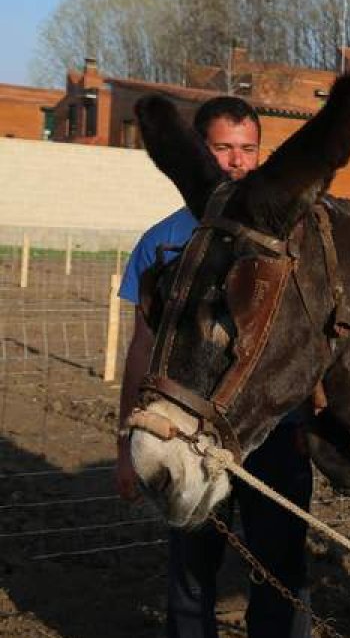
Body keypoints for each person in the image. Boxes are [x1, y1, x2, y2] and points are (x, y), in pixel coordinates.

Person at [115, 97, 313, 638]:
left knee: (279, 567)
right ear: (196, 153)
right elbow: (142, 345)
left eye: (248, 149)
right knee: (192, 564)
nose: (237, 162)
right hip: (188, 431)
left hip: (275, 433)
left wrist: (311, 423)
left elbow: (315, 340)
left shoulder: (289, 242)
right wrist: (124, 441)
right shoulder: (161, 243)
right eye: (222, 147)